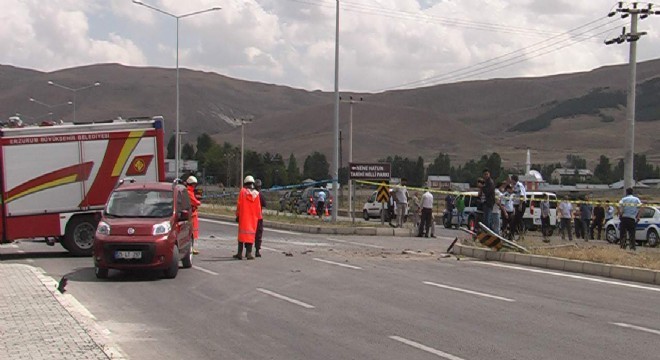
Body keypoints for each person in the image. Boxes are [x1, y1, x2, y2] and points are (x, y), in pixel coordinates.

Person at [234, 175, 261, 260]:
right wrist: (259, 217)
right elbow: (258, 207)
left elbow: (239, 204)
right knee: (250, 236)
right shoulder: (256, 194)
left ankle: (239, 253)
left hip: (244, 218)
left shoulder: (242, 192)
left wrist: (237, 215)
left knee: (241, 236)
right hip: (253, 219)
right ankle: (249, 253)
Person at [186, 176, 202, 255]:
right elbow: (195, 202)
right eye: (194, 184)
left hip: (193, 213)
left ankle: (192, 247)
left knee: (193, 231)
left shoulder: (190, 191)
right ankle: (191, 248)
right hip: (191, 214)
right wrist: (199, 202)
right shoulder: (189, 192)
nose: (195, 186)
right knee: (191, 232)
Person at [254, 179, 266, 257]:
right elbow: (264, 204)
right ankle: (257, 251)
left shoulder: (251, 193)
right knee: (258, 234)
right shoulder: (260, 195)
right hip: (258, 217)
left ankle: (248, 250)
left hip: (251, 217)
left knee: (250, 234)